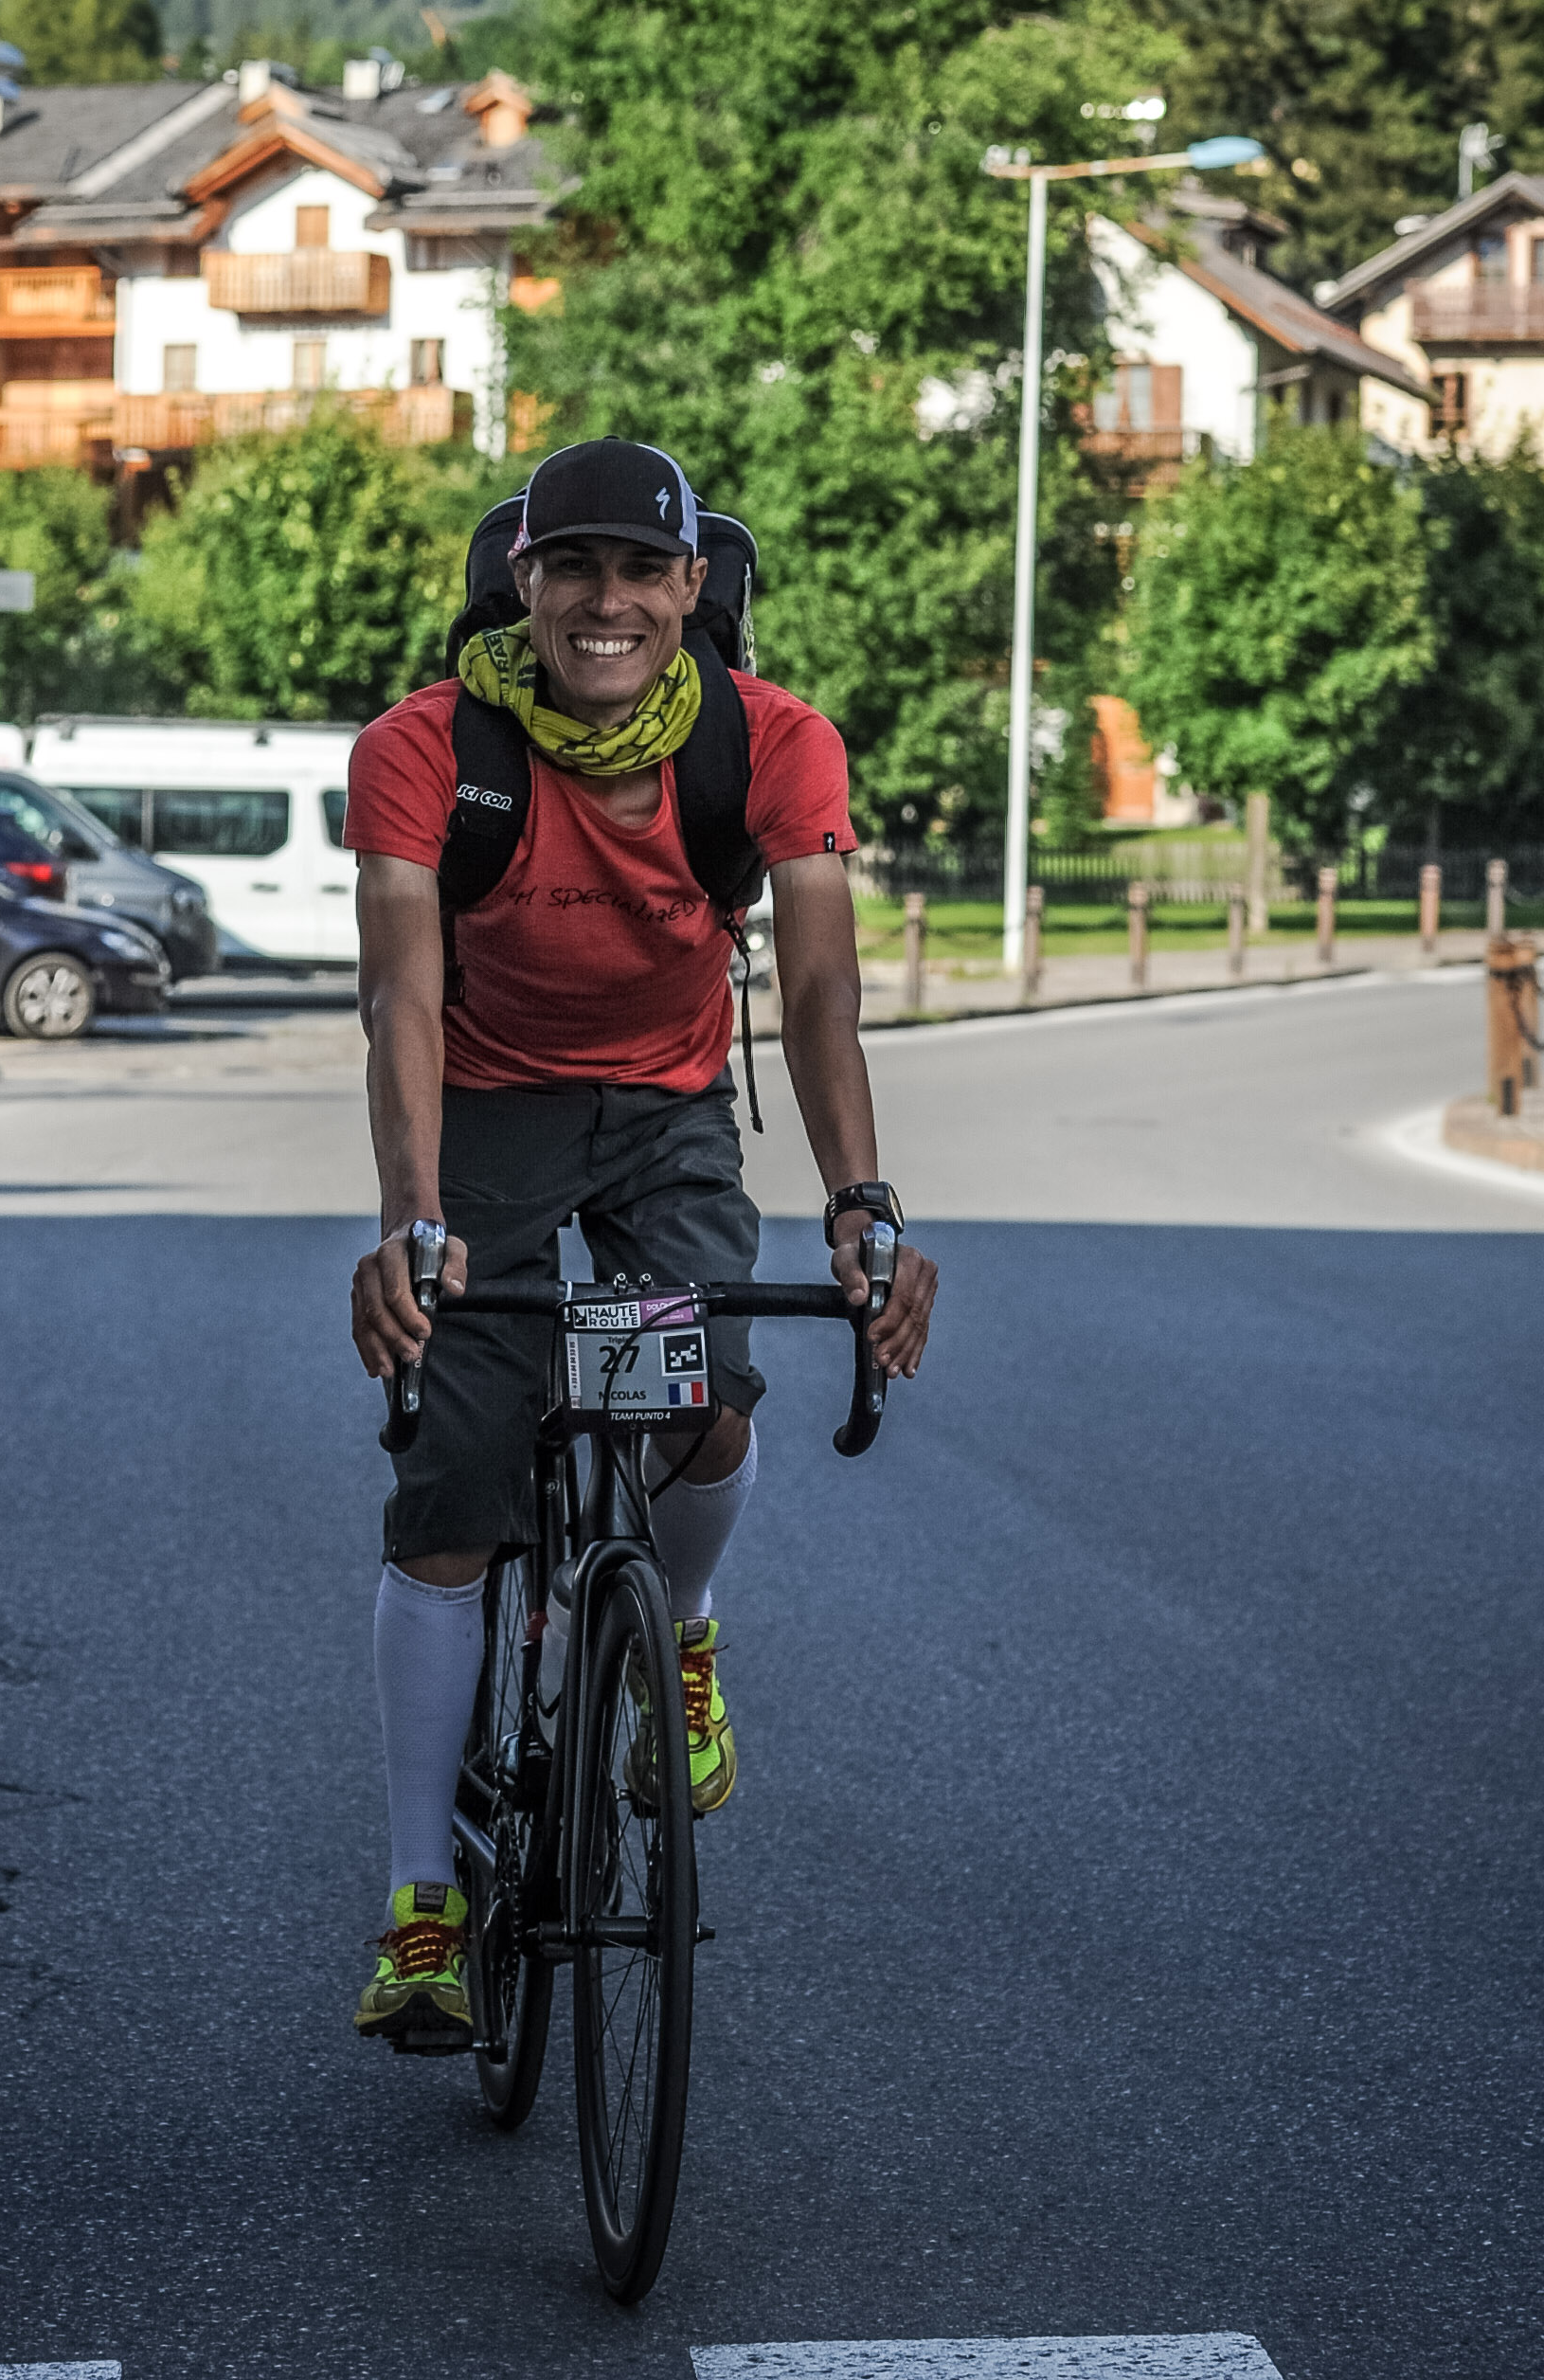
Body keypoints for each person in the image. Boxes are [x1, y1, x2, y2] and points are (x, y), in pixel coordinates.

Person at [343, 436, 938, 2051]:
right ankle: (421, 1909)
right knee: (453, 1487)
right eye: (572, 567)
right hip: (485, 1108)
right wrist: (413, 1218)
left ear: (690, 586)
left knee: (703, 1400)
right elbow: (400, 994)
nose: (604, 602)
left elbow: (819, 986)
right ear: (521, 582)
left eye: (639, 570)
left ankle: (676, 1635)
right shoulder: (423, 749)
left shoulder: (772, 744)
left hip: (670, 1105)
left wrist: (862, 1202)